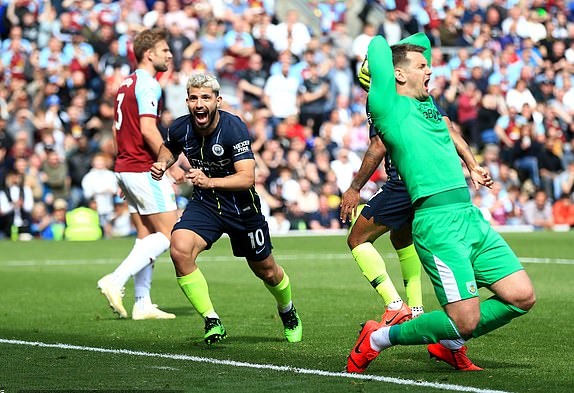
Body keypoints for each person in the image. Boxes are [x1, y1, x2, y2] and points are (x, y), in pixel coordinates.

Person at [347, 33, 535, 374]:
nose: (430, 69)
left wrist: (473, 164)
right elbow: (377, 44)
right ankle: (378, 338)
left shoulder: (426, 104)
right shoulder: (388, 106)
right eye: (422, 66)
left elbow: (420, 41)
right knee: (464, 320)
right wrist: (383, 66)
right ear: (398, 75)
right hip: (437, 223)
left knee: (522, 297)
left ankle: (447, 342)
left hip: (469, 216)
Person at [150, 73, 302, 345]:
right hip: (205, 205)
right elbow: (169, 148)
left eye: (205, 98)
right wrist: (163, 163)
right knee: (179, 248)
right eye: (194, 98)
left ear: (217, 101)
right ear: (187, 101)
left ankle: (288, 311)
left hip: (241, 207)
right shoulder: (180, 127)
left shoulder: (234, 128)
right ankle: (211, 320)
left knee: (266, 270)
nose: (199, 103)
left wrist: (209, 181)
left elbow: (247, 178)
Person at [96, 28, 180, 321]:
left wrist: (122, 168)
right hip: (143, 168)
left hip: (127, 166)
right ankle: (115, 279)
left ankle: (142, 303)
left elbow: (116, 128)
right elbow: (147, 129)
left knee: (146, 234)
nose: (170, 54)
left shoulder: (126, 83)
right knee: (170, 233)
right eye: (165, 50)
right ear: (149, 54)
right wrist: (171, 162)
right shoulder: (148, 84)